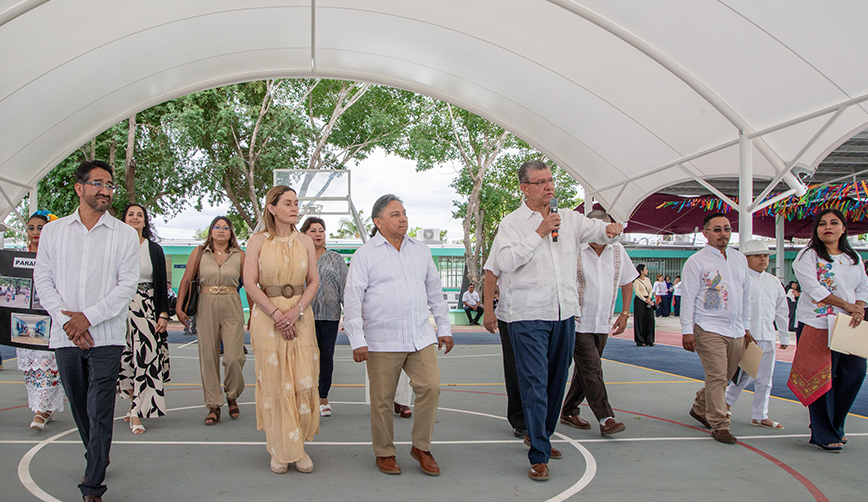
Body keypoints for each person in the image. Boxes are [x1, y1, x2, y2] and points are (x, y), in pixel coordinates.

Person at [491, 160, 622, 481]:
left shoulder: (570, 220)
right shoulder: (511, 224)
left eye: (551, 181)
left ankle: (542, 437)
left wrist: (611, 231)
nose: (549, 187)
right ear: (524, 188)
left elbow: (600, 232)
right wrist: (538, 233)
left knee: (554, 384)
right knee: (534, 382)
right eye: (541, 182)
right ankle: (538, 454)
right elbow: (505, 262)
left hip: (564, 314)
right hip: (526, 315)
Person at [33, 160, 139, 502]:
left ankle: (93, 484)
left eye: (110, 185)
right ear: (79, 188)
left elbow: (126, 286)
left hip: (106, 336)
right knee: (80, 406)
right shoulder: (54, 231)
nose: (105, 190)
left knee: (99, 408)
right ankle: (98, 453)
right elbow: (43, 281)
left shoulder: (125, 234)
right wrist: (69, 322)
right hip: (65, 335)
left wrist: (88, 318)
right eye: (98, 183)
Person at [344, 194, 454, 477]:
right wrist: (358, 340)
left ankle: (421, 447)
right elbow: (353, 299)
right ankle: (384, 452)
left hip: (420, 336)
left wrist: (444, 328)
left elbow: (435, 292)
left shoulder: (421, 251)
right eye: (395, 214)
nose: (403, 218)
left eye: (404, 213)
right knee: (382, 400)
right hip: (382, 339)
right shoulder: (365, 254)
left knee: (430, 386)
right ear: (378, 222)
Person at [244, 186, 320, 473]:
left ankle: (297, 446)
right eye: (287, 203)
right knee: (276, 382)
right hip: (268, 318)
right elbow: (250, 282)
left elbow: (312, 281)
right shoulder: (257, 242)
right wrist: (277, 314)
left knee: (303, 380)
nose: (294, 208)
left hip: (301, 315)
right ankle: (279, 448)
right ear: (272, 208)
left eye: (296, 203)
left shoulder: (305, 241)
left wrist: (296, 311)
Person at [788, 208, 868, 452]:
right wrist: (847, 305)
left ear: (844, 228)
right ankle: (823, 433)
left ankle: (835, 423)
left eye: (834, 223)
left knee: (855, 373)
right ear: (817, 229)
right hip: (817, 323)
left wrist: (859, 309)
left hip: (848, 324)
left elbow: (864, 285)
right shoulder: (808, 255)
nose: (828, 227)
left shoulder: (852, 256)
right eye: (822, 224)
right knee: (821, 377)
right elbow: (813, 288)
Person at [560, 210, 637, 436]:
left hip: (603, 322)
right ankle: (606, 418)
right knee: (592, 368)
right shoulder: (576, 250)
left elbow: (627, 281)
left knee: (585, 371)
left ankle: (568, 410)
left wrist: (624, 313)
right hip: (578, 322)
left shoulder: (618, 251)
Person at [680, 212, 752, 445]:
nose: (723, 233)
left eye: (727, 229)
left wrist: (747, 327)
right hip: (708, 327)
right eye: (717, 229)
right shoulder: (696, 261)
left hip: (736, 329)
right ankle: (720, 424)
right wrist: (687, 330)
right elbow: (688, 298)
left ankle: (701, 405)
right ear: (706, 234)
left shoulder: (739, 259)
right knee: (717, 376)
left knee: (726, 376)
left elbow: (746, 296)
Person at [177, 216, 247, 426]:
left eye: (226, 227)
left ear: (231, 233)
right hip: (205, 304)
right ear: (211, 231)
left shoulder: (240, 255)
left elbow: (250, 284)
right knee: (208, 357)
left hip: (231, 303)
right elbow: (187, 279)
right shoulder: (199, 253)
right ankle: (213, 405)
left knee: (234, 357)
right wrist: (179, 308)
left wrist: (255, 312)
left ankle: (232, 393)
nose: (221, 230)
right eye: (217, 227)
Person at [117, 204, 171, 435]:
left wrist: (163, 313)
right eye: (131, 214)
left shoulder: (154, 249)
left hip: (147, 309)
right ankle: (132, 403)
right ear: (124, 220)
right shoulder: (114, 247)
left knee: (145, 358)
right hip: (118, 309)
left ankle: (138, 412)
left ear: (145, 221)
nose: (135, 218)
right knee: (124, 360)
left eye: (140, 215)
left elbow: (160, 285)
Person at [724, 239, 789, 430]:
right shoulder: (740, 280)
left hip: (767, 334)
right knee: (743, 374)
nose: (763, 260)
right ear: (746, 258)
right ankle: (727, 404)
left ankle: (760, 415)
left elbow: (781, 310)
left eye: (766, 256)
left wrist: (783, 336)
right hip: (747, 335)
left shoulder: (774, 282)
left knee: (766, 378)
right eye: (758, 256)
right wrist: (739, 330)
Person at [17, 210, 65, 431]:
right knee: (32, 368)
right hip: (23, 321)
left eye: (41, 227)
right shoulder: (16, 258)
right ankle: (42, 406)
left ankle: (42, 409)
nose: (36, 232)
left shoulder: (57, 257)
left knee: (49, 365)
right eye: (31, 228)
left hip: (50, 319)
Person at [300, 216, 348, 417]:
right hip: (303, 316)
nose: (318, 233)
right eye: (313, 230)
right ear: (304, 234)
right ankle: (305, 397)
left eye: (321, 230)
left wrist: (350, 316)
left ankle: (322, 397)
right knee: (304, 358)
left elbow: (346, 288)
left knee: (326, 357)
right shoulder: (297, 257)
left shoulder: (336, 259)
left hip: (329, 317)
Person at [483, 266, 526, 438]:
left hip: (549, 316)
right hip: (512, 316)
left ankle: (542, 418)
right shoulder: (506, 239)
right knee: (515, 369)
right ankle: (521, 420)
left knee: (549, 370)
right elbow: (491, 274)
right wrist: (488, 310)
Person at [632, 265, 656, 346]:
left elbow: (650, 289)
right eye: (645, 269)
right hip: (640, 301)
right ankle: (640, 340)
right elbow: (637, 293)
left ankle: (650, 339)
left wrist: (649, 297)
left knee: (650, 319)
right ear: (641, 271)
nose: (647, 270)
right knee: (640, 320)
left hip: (648, 299)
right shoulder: (636, 281)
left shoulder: (648, 279)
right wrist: (645, 300)